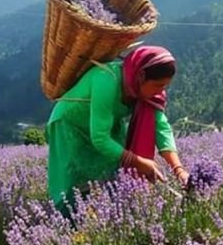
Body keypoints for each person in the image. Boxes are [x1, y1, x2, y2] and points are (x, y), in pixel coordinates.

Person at [46, 45, 189, 220]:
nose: (160, 92)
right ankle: (65, 226)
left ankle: (103, 219)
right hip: (70, 125)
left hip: (105, 123)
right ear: (141, 76)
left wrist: (179, 170)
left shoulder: (147, 91)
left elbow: (161, 127)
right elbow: (100, 138)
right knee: (71, 178)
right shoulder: (106, 80)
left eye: (165, 86)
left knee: (111, 172)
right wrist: (137, 161)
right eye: (157, 85)